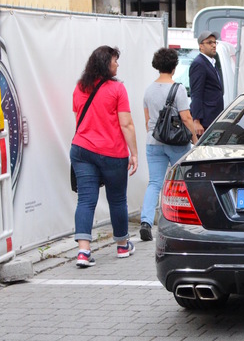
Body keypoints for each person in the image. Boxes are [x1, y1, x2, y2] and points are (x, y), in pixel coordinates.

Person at [71, 46, 138, 268]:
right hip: (112, 152)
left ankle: (83, 251)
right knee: (117, 199)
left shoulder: (80, 87)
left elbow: (78, 117)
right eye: (114, 61)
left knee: (86, 200)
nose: (117, 64)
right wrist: (134, 153)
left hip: (82, 150)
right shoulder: (118, 89)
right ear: (104, 64)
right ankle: (121, 245)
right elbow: (126, 124)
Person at [139, 48, 198, 241]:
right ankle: (188, 219)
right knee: (185, 179)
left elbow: (148, 122)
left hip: (153, 142)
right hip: (176, 143)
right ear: (174, 66)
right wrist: (196, 139)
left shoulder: (148, 90)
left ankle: (146, 222)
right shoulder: (178, 89)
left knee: (155, 182)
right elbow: (187, 117)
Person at [189, 30, 224, 137]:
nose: (213, 45)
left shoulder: (211, 62)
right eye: (209, 43)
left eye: (215, 42)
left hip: (214, 117)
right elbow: (196, 93)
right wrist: (196, 120)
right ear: (201, 46)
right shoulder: (199, 64)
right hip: (205, 121)